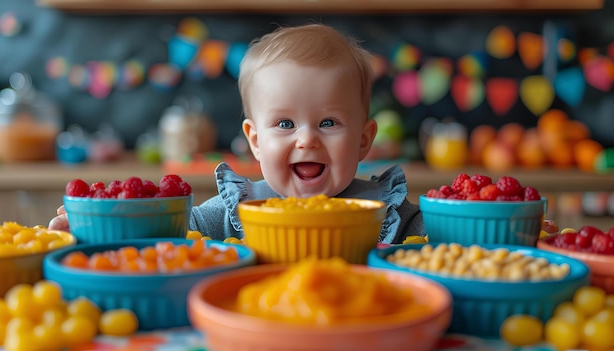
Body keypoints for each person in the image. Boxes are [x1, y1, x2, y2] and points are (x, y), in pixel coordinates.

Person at [49, 23, 425, 244]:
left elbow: (449, 236)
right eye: (285, 124)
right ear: (256, 141)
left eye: (328, 123)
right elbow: (169, 230)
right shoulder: (236, 210)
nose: (306, 140)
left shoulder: (386, 210)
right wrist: (99, 227)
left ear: (363, 140)